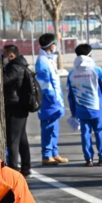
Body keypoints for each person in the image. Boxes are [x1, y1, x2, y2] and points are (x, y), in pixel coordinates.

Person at [67, 43, 102, 167]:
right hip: (97, 107)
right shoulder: (96, 69)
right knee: (100, 131)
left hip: (81, 108)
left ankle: (88, 159)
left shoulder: (72, 73)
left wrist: (73, 113)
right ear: (90, 54)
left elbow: (70, 95)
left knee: (85, 133)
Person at [36, 33, 68, 166]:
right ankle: (47, 155)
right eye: (55, 43)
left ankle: (54, 153)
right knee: (48, 128)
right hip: (49, 102)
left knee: (54, 128)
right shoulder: (42, 62)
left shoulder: (48, 59)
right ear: (51, 45)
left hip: (53, 101)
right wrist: (54, 100)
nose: (56, 46)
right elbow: (45, 85)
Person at [2, 45, 31, 177]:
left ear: (12, 56)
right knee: (22, 138)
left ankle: (14, 169)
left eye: (4, 55)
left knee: (13, 139)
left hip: (15, 106)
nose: (3, 57)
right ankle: (26, 166)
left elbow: (2, 81)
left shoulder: (14, 67)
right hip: (19, 106)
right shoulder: (20, 65)